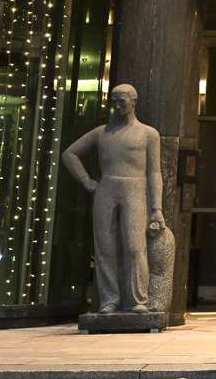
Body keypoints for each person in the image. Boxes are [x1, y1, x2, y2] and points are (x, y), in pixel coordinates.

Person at [59, 83, 163, 313]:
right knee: (105, 248)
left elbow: (154, 172)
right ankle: (109, 299)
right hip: (106, 189)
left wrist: (157, 208)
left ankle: (137, 299)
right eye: (113, 101)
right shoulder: (101, 132)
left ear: (134, 101)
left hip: (135, 189)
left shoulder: (148, 134)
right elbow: (70, 154)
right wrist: (86, 181)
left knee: (135, 247)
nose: (116, 105)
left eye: (121, 101)